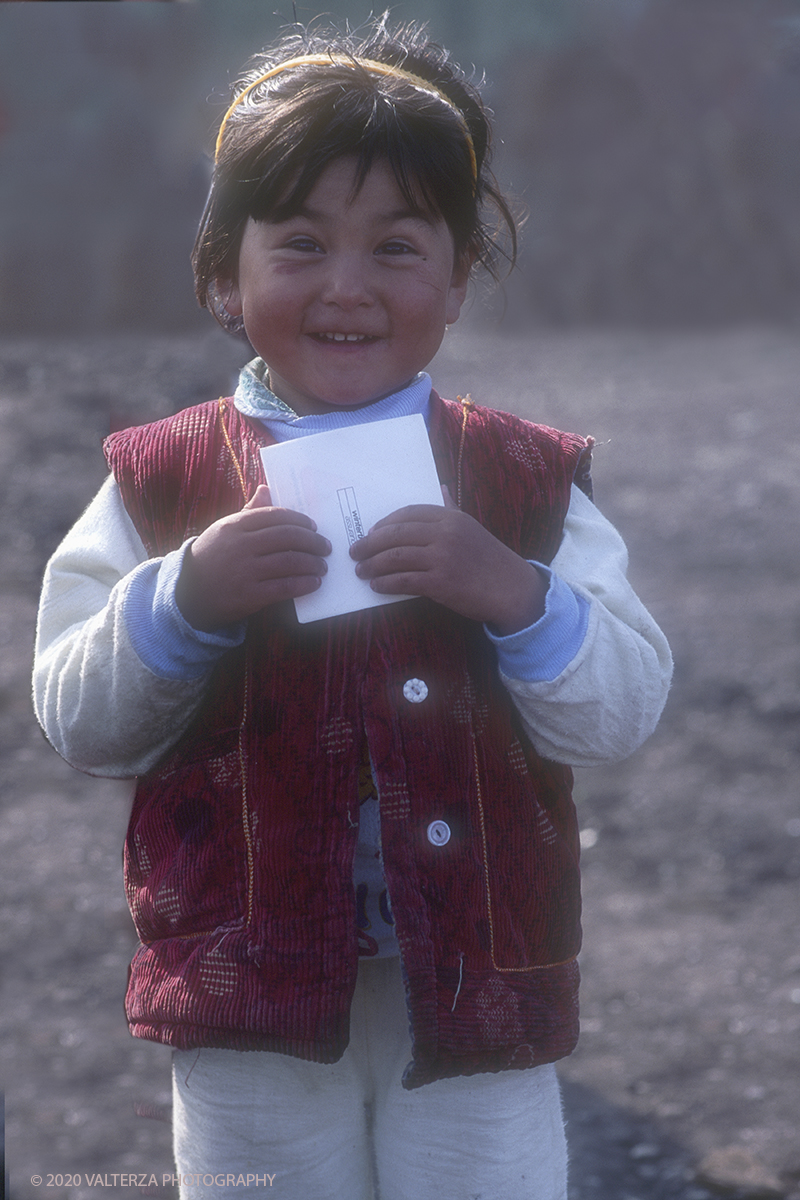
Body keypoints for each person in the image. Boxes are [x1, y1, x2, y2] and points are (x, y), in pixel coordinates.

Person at [33, 17, 672, 1200]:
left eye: (395, 246)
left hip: (479, 994)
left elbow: (622, 708)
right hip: (247, 1002)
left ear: (457, 277)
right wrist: (184, 598)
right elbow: (76, 716)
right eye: (300, 243)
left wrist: (514, 593)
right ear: (226, 271)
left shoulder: (523, 484)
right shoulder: (161, 481)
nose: (346, 286)